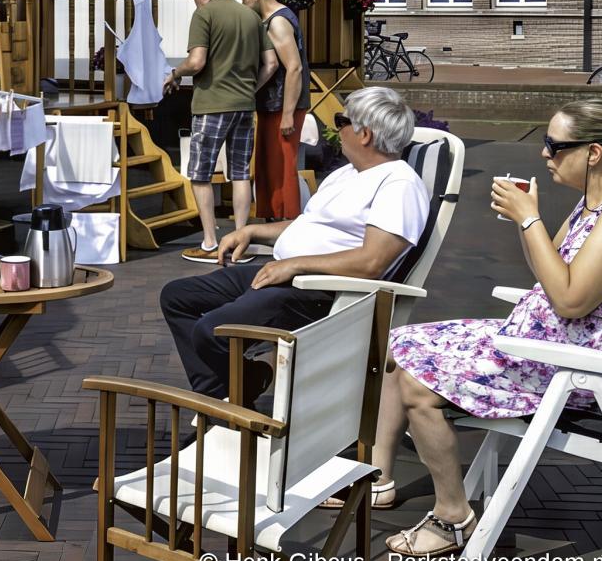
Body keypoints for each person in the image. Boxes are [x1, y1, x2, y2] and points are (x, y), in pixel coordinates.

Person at [366, 100, 602, 558]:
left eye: (554, 145)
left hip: (575, 366)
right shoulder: (595, 204)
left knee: (417, 383)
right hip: (541, 341)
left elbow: (570, 300)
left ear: (593, 153)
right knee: (398, 343)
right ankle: (378, 479)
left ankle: (452, 518)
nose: (545, 153)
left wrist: (530, 219)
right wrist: (525, 223)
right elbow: (548, 274)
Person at [160, 86, 430, 400]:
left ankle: (229, 399)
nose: (336, 129)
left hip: (320, 293)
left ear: (365, 134)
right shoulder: (348, 174)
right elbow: (309, 224)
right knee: (177, 297)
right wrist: (253, 232)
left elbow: (372, 262)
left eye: (341, 120)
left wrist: (295, 265)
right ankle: (229, 393)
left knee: (213, 332)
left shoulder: (399, 185)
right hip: (288, 276)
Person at [164, 0, 279, 263]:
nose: (194, 2)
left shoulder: (204, 15)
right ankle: (240, 241)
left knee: (200, 174)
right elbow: (271, 63)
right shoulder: (251, 16)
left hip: (211, 105)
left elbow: (196, 61)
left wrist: (175, 73)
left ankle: (209, 243)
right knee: (240, 173)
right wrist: (250, 89)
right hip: (245, 106)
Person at [236, 0, 310, 220]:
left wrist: (288, 114)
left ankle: (287, 222)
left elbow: (294, 67)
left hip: (282, 105)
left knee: (282, 166)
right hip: (272, 104)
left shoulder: (278, 21)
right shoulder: (271, 18)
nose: (243, 2)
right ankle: (273, 219)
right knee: (269, 165)